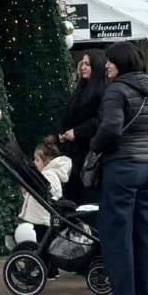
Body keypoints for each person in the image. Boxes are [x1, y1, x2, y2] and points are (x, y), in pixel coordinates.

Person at [91, 41, 148, 295]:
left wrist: (96, 145)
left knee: (117, 235)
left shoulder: (116, 91)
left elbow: (110, 128)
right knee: (145, 234)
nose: (106, 65)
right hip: (147, 168)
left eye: (110, 61)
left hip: (121, 168)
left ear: (120, 63)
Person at [57, 49, 107, 195]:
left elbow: (100, 120)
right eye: (82, 63)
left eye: (88, 64)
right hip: (73, 149)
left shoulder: (102, 90)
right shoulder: (80, 89)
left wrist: (77, 132)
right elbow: (67, 114)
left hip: (89, 152)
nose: (83, 67)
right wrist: (61, 133)